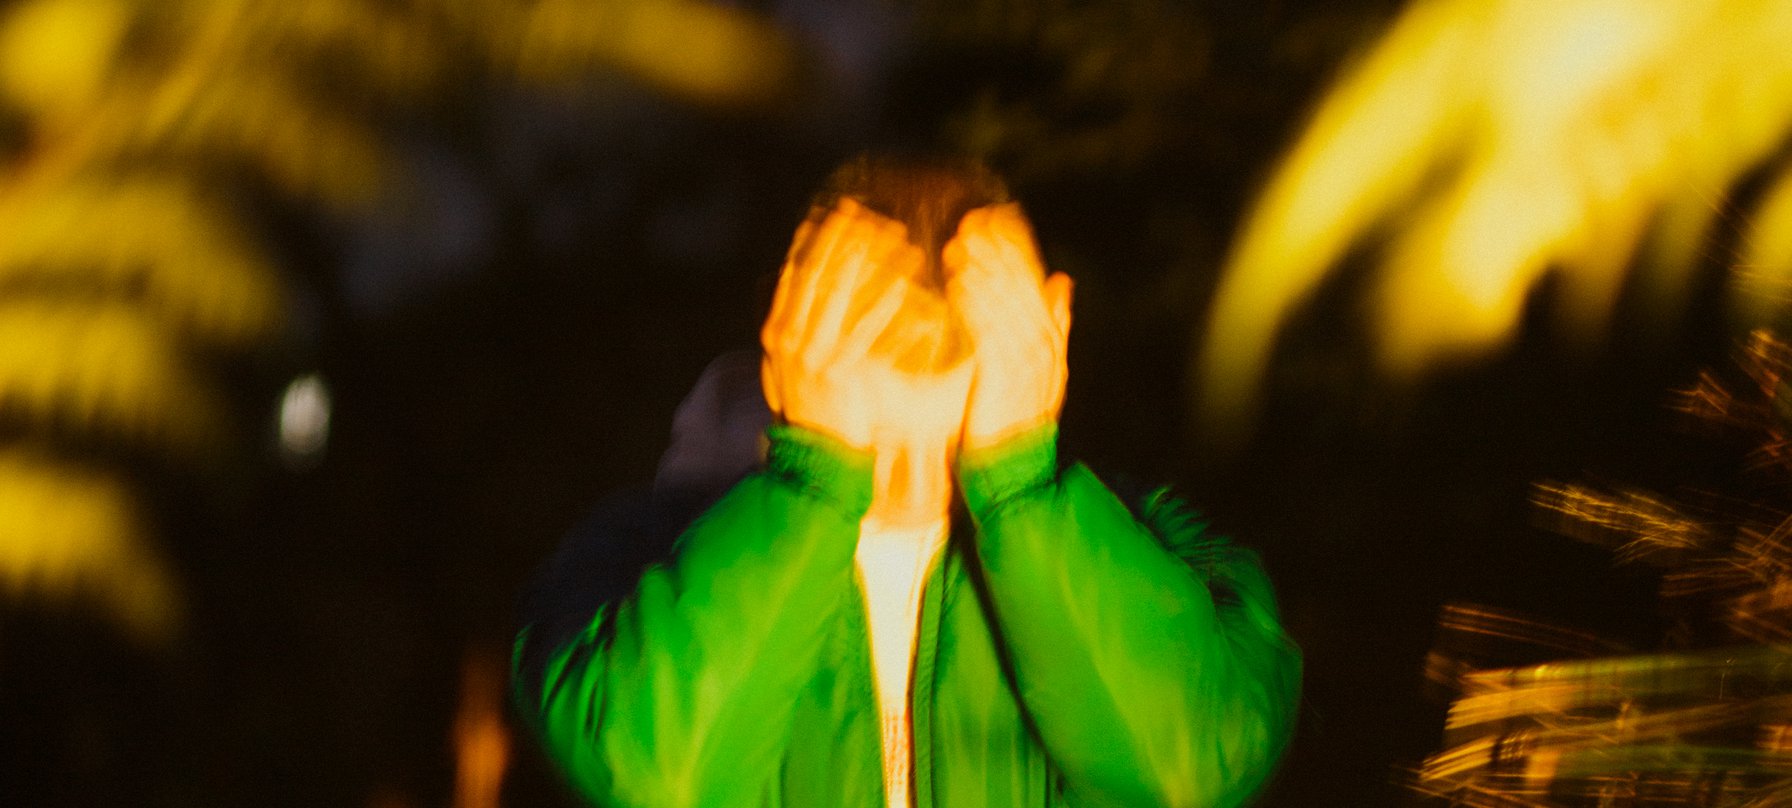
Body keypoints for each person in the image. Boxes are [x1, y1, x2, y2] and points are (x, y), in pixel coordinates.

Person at [512, 158, 1301, 808]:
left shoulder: (1154, 545)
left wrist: (1021, 483)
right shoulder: (634, 555)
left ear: (1045, 350)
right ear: (790, 360)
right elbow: (658, 775)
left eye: (963, 437)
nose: (917, 490)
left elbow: (1187, 772)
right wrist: (813, 483)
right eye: (876, 438)